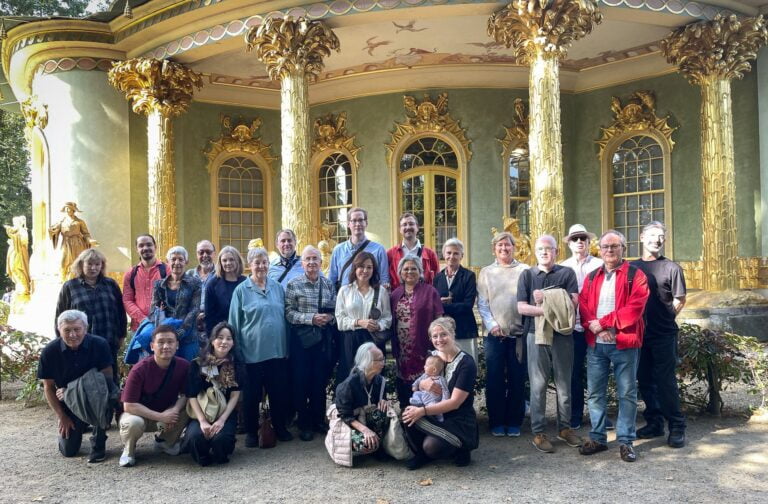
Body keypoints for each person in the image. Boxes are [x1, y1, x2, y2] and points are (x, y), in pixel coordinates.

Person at [578, 230, 649, 462]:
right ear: (600, 249)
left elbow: (635, 308)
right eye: (605, 246)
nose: (609, 250)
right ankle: (598, 438)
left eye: (614, 246)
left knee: (626, 394)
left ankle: (626, 441)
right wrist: (595, 326)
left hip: (624, 343)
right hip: (596, 345)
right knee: (595, 394)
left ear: (623, 249)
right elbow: (584, 305)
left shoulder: (635, 275)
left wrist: (606, 325)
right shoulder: (591, 276)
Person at [517, 234, 580, 453]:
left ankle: (565, 429)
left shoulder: (566, 273)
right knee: (538, 385)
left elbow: (573, 303)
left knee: (564, 384)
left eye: (549, 248)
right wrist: (552, 307)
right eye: (541, 249)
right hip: (536, 334)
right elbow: (522, 307)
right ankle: (539, 432)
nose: (545, 252)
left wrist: (544, 298)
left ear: (556, 252)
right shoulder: (527, 275)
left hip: (562, 335)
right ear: (535, 252)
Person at [631, 221, 688, 448]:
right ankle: (654, 422)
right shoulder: (632, 268)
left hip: (664, 334)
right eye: (652, 235)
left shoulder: (672, 268)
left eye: (661, 236)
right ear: (642, 237)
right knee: (644, 380)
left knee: (665, 382)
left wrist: (666, 316)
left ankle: (676, 426)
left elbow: (679, 299)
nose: (657, 239)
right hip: (639, 335)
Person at [229, 247, 292, 446]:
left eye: (264, 262)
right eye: (257, 262)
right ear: (250, 265)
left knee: (278, 392)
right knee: (252, 395)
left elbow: (285, 318)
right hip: (251, 353)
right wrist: (236, 352)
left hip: (277, 352)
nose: (261, 266)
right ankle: (250, 433)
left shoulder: (277, 288)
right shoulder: (241, 290)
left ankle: (280, 428)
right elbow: (234, 323)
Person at [402, 317, 479, 469]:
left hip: (458, 419)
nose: (439, 339)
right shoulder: (433, 357)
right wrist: (423, 385)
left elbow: (455, 402)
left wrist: (422, 411)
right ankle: (421, 454)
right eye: (435, 336)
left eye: (443, 334)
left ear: (452, 334)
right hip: (435, 415)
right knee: (407, 413)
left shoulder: (466, 363)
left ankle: (462, 445)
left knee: (432, 446)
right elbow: (418, 384)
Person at [38, 310, 114, 463]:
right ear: (59, 330)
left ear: (85, 329)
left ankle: (98, 441)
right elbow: (48, 387)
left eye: (77, 329)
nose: (72, 335)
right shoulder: (49, 352)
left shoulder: (100, 345)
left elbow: (106, 380)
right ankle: (80, 424)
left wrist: (71, 390)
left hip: (96, 398)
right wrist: (62, 416)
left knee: (104, 399)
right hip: (69, 403)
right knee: (69, 451)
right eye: (67, 330)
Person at [477, 232, 529, 437]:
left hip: (518, 334)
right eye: (500, 246)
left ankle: (515, 421)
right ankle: (497, 421)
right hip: (495, 335)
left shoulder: (525, 270)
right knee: (495, 378)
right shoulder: (486, 272)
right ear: (494, 249)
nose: (504, 249)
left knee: (517, 377)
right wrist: (492, 325)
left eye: (508, 245)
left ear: (514, 248)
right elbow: (482, 303)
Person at [119, 325, 191, 468]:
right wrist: (160, 416)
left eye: (170, 342)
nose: (166, 346)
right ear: (152, 346)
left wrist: (175, 409)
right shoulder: (140, 369)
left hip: (166, 413)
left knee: (189, 407)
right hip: (139, 414)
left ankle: (165, 442)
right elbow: (129, 405)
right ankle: (129, 450)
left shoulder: (183, 366)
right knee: (133, 423)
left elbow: (186, 394)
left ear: (177, 345)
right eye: (161, 342)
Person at [285, 245, 337, 441]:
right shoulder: (293, 284)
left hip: (322, 340)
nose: (312, 263)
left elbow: (335, 311)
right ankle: (304, 423)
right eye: (308, 259)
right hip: (301, 341)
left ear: (321, 262)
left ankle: (318, 420)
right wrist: (311, 318)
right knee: (300, 382)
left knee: (319, 381)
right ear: (302, 263)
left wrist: (328, 319)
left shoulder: (328, 284)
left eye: (315, 259)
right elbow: (288, 313)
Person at [55, 248, 127, 380]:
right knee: (83, 380)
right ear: (81, 265)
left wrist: (122, 335)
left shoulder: (110, 284)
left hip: (108, 340)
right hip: (81, 342)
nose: (93, 268)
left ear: (102, 266)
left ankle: (110, 401)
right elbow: (60, 315)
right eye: (89, 264)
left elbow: (120, 311)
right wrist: (61, 340)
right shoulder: (70, 286)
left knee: (109, 378)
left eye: (97, 264)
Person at [560, 224, 604, 429]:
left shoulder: (600, 264)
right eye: (575, 238)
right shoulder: (562, 267)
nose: (579, 242)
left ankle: (601, 417)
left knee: (600, 372)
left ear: (588, 242)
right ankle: (575, 415)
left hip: (596, 326)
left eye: (583, 238)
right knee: (574, 373)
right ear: (569, 243)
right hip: (573, 328)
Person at [183, 322, 244, 466]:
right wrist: (203, 421)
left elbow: (235, 396)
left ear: (233, 342)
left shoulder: (237, 365)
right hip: (202, 411)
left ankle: (220, 451)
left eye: (229, 338)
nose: (224, 342)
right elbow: (191, 395)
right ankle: (202, 456)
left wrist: (222, 420)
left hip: (224, 412)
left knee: (221, 441)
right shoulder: (198, 364)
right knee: (196, 438)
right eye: (220, 337)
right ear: (212, 340)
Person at [390, 254, 443, 408]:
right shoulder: (395, 294)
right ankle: (406, 417)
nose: (409, 271)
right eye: (406, 269)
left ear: (420, 271)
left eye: (414, 268)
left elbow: (439, 318)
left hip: (422, 346)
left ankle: (424, 418)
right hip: (402, 350)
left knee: (424, 383)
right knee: (404, 384)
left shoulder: (430, 291)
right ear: (400, 273)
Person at [334, 251, 392, 382]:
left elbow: (388, 318)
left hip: (373, 340)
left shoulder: (381, 291)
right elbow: (340, 320)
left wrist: (378, 325)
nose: (365, 270)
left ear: (374, 270)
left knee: (373, 378)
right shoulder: (345, 290)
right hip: (351, 340)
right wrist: (359, 322)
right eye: (361, 266)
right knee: (350, 379)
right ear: (355, 268)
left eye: (369, 267)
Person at [329, 342, 390, 464]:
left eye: (383, 359)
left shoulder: (379, 381)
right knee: (366, 445)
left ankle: (377, 445)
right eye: (379, 360)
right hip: (350, 424)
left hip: (366, 419)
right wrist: (365, 431)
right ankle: (372, 444)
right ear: (367, 362)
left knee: (383, 413)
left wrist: (383, 401)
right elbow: (345, 416)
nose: (383, 363)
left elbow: (379, 404)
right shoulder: (348, 385)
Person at [151, 246, 201, 361]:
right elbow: (153, 310)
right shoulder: (159, 285)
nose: (177, 262)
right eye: (173, 259)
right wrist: (166, 333)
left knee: (187, 372)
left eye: (180, 259)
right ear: (167, 262)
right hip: (165, 338)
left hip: (188, 337)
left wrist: (179, 332)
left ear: (186, 262)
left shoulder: (194, 283)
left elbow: (194, 310)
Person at [433, 238, 477, 360]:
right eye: (449, 253)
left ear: (461, 256)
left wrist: (442, 306)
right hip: (443, 331)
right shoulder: (437, 278)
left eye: (456, 253)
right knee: (445, 365)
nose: (452, 256)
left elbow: (468, 305)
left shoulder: (469, 276)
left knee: (466, 365)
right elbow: (433, 304)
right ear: (443, 255)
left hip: (464, 328)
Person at [328, 207, 389, 289]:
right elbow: (331, 281)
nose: (358, 224)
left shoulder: (378, 250)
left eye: (361, 220)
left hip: (369, 299)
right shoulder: (338, 250)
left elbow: (384, 280)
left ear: (366, 223)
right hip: (344, 299)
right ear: (348, 224)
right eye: (354, 221)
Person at [123, 234, 167, 333]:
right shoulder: (131, 274)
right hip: (139, 328)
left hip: (163, 327)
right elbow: (127, 300)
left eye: (149, 244)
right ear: (137, 249)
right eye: (141, 245)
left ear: (155, 247)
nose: (145, 248)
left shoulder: (166, 270)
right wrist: (143, 319)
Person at [386, 212, 439, 290]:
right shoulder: (390, 254)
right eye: (404, 224)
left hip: (424, 298)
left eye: (411, 224)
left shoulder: (430, 254)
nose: (408, 227)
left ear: (417, 227)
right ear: (400, 230)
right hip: (399, 298)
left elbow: (437, 279)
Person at [204, 246, 247, 335]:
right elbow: (209, 316)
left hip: (243, 333)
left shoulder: (246, 283)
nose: (228, 263)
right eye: (224, 260)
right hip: (221, 335)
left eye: (231, 259)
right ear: (220, 263)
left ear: (238, 261)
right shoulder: (212, 284)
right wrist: (212, 338)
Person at [49, 202, 93, 281]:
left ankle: (76, 281)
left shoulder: (79, 222)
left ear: (73, 210)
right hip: (65, 243)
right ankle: (64, 281)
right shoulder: (61, 222)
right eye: (65, 208)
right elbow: (54, 231)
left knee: (77, 263)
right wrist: (52, 230)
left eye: (68, 208)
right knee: (62, 262)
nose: (67, 209)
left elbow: (86, 234)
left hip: (77, 244)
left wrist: (90, 240)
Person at [410, 355, 450, 422]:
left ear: (434, 369)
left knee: (436, 408)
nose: (424, 366)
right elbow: (418, 381)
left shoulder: (440, 379)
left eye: (426, 365)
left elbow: (445, 391)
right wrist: (415, 386)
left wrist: (444, 401)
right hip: (423, 396)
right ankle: (417, 401)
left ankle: (440, 419)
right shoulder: (425, 376)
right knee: (416, 393)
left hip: (433, 400)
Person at [185, 240, 215, 314]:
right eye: (201, 252)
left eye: (208, 252)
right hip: (192, 319)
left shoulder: (220, 275)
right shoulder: (189, 274)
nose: (205, 255)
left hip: (214, 319)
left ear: (214, 254)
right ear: (197, 255)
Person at [4, 215, 31, 296]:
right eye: (13, 223)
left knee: (18, 268)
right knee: (13, 268)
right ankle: (19, 285)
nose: (14, 224)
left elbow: (24, 242)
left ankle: (24, 286)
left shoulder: (23, 231)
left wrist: (13, 239)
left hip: (19, 254)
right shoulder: (16, 232)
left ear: (19, 223)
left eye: (15, 222)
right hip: (14, 252)